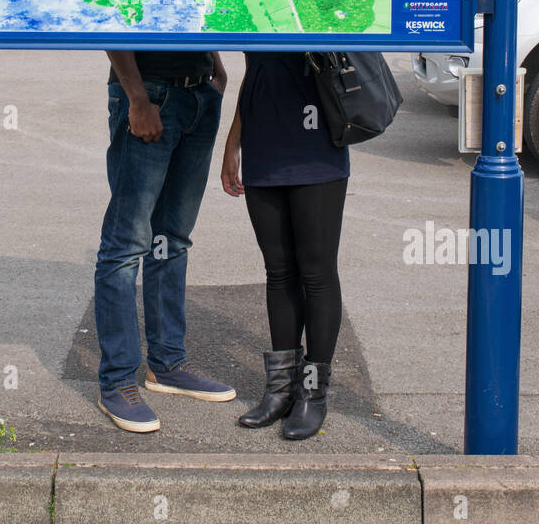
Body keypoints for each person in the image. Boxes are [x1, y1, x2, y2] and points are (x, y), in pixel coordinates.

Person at [94, 48, 236, 433]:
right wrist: (137, 97)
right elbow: (112, 17)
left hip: (199, 95)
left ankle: (168, 365)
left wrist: (215, 70)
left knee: (171, 240)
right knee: (124, 246)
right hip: (150, 94)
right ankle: (118, 381)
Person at [220, 52, 350, 441]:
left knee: (317, 272)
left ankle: (312, 392)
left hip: (317, 145)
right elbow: (255, 69)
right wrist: (234, 140)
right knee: (278, 271)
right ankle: (279, 390)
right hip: (264, 143)